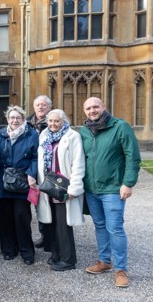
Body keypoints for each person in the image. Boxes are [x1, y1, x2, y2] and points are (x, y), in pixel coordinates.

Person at [80, 97, 141, 288]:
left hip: (113, 188)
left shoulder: (120, 127)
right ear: (85, 111)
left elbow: (133, 156)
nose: (92, 110)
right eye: (88, 108)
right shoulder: (83, 131)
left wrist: (128, 183)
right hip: (91, 189)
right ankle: (104, 261)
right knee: (99, 225)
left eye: (95, 107)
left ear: (103, 107)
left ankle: (121, 269)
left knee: (115, 228)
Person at [37, 109, 85, 271]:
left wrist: (74, 188)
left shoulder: (73, 137)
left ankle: (68, 259)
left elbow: (78, 164)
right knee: (52, 224)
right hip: (48, 187)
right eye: (50, 121)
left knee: (64, 225)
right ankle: (56, 254)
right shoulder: (44, 136)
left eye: (56, 121)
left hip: (64, 187)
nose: (52, 124)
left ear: (64, 121)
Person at [0, 105, 38, 265]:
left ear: (23, 119)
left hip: (22, 181)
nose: (14, 120)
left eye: (18, 118)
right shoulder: (0, 134)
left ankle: (26, 251)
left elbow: (35, 157)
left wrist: (31, 174)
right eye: (12, 117)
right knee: (5, 218)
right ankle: (9, 249)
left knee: (22, 217)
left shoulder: (31, 134)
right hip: (3, 181)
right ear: (7, 119)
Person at [26, 95, 52, 248]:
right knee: (38, 205)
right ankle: (44, 234)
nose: (41, 107)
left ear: (49, 107)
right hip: (31, 169)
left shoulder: (54, 121)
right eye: (38, 105)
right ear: (34, 107)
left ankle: (51, 236)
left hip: (48, 171)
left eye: (44, 105)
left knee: (51, 204)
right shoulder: (27, 123)